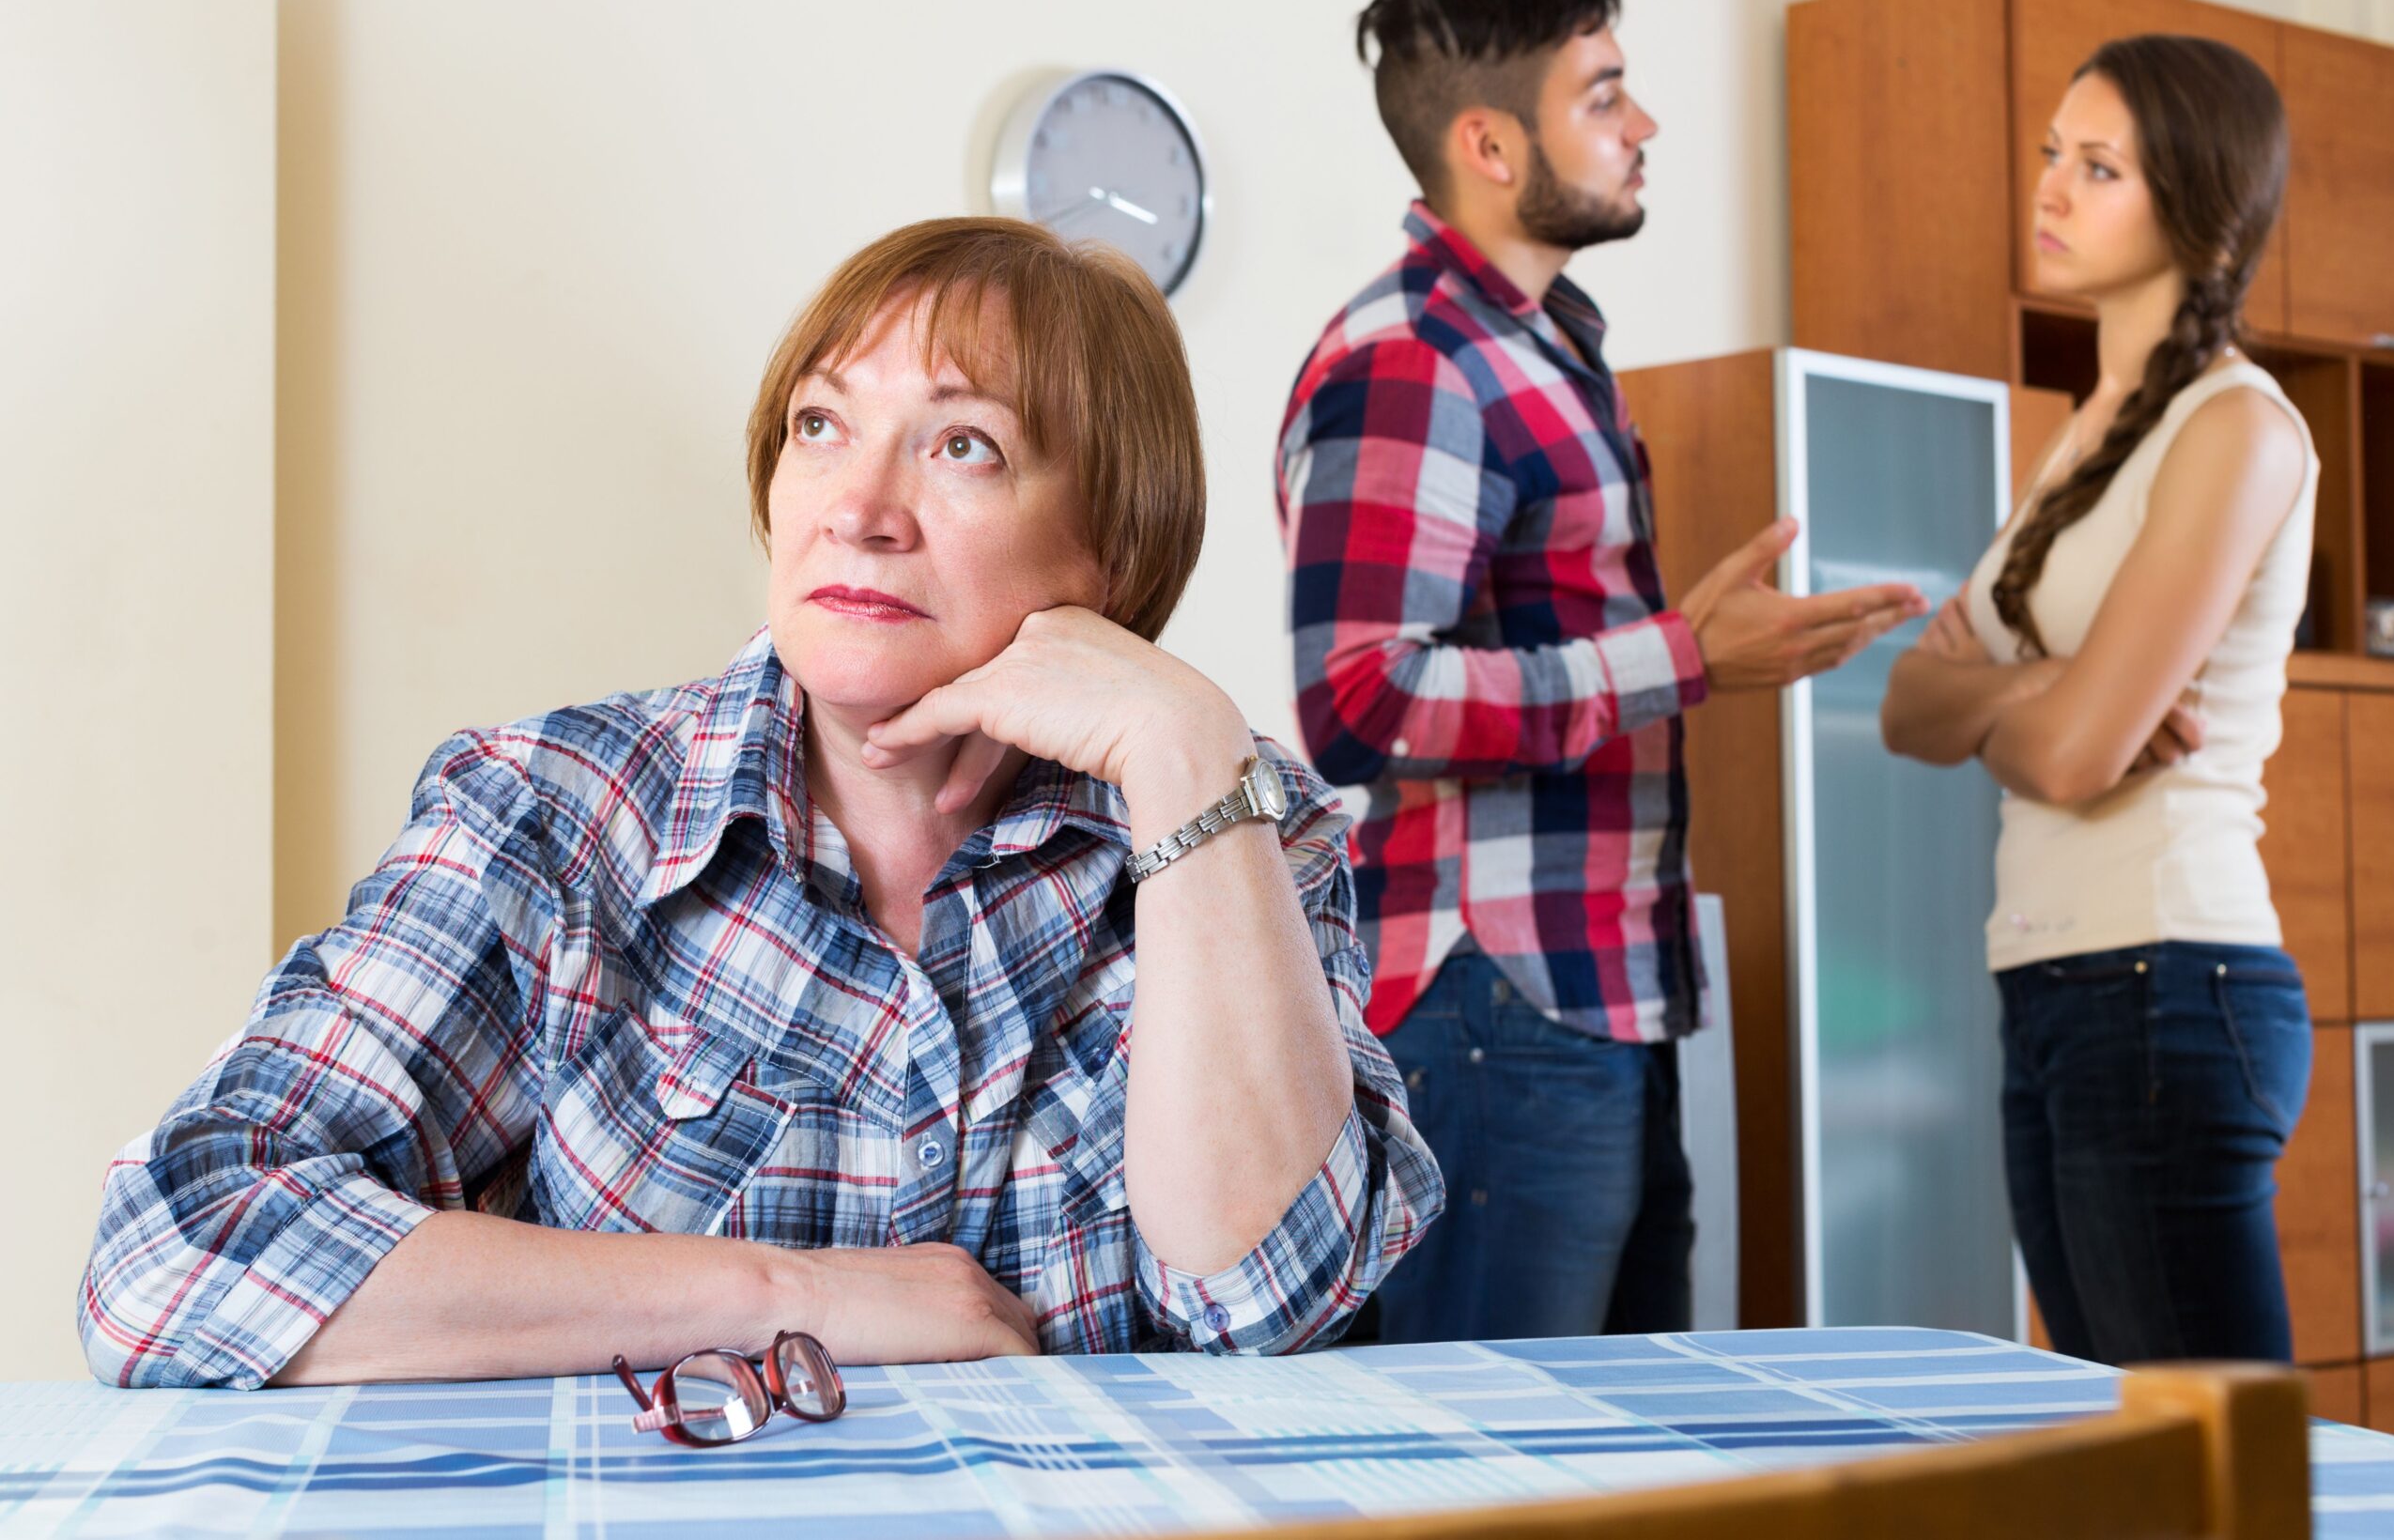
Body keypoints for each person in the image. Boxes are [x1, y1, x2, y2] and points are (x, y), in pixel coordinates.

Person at [82, 217, 1442, 1390]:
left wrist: (1185, 738)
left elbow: (1276, 1298)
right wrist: (797, 1295)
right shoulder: (554, 815)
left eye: (963, 444)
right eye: (819, 426)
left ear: (1114, 544)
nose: (859, 507)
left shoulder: (1239, 825)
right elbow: (177, 1249)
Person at [1277, 0, 1924, 1344]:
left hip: (1591, 1000)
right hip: (1489, 1005)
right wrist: (1683, 652)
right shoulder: (1416, 358)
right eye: (1607, 94)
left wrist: (1684, 648)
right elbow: (1357, 701)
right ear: (1491, 143)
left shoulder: (1545, 350)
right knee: (1503, 1469)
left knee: (1625, 1460)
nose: (1644, 128)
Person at [1880, 36, 2311, 1365]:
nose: (2052, 189)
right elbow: (1906, 704)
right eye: (2052, 154)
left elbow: (2068, 760)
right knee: (2126, 1463)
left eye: (2100, 165)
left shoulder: (2236, 426)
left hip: (2168, 977)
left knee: (2210, 1478)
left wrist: (2012, 696)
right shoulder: (2091, 429)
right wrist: (2063, 680)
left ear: (2197, 202)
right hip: (2062, 983)